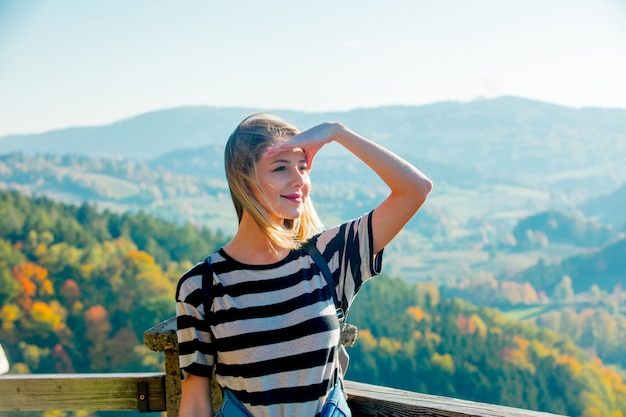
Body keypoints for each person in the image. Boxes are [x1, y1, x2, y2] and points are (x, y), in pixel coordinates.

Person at [175, 113, 432, 417]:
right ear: (244, 179)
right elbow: (194, 401)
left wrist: (338, 133)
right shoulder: (202, 285)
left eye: (303, 167)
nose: (298, 179)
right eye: (281, 167)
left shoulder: (329, 257)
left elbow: (415, 189)